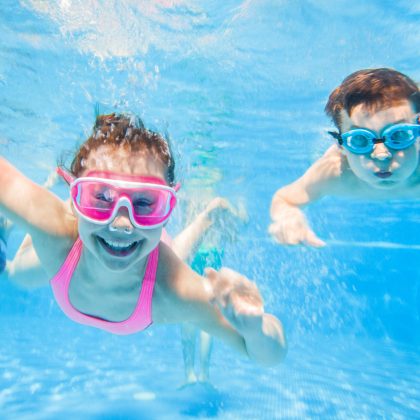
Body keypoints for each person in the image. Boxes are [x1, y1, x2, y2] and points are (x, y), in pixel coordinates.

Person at [0, 113, 287, 367]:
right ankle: (13, 223)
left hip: (149, 263)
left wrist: (255, 327)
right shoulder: (56, 231)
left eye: (147, 202)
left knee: (172, 256)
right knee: (15, 273)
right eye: (100, 197)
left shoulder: (172, 288)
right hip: (73, 247)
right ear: (76, 198)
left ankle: (208, 215)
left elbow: (270, 355)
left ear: (168, 208)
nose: (123, 223)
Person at [269, 68, 420, 246]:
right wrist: (288, 217)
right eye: (359, 140)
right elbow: (284, 199)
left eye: (399, 135)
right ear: (341, 145)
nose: (381, 155)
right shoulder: (335, 172)